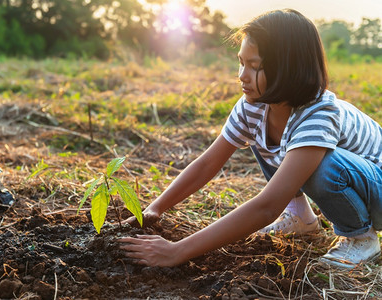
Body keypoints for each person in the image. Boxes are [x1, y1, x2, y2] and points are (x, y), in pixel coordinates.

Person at [118, 9, 382, 269]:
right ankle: (300, 215)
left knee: (323, 165)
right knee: (267, 137)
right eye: (241, 62)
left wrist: (177, 251)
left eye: (255, 66)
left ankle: (360, 236)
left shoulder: (319, 114)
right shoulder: (255, 104)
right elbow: (208, 163)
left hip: (377, 189)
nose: (242, 75)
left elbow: (267, 207)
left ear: (290, 69)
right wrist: (155, 208)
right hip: (358, 182)